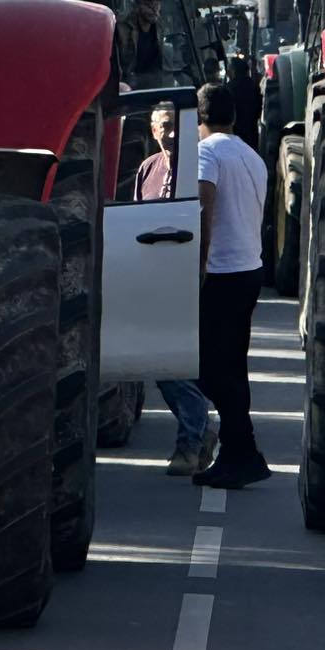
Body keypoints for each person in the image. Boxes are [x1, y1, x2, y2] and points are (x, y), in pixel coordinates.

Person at [191, 81, 271, 489]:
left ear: (198, 117)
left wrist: (199, 263)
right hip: (248, 269)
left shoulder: (206, 153)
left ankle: (242, 448)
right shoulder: (252, 156)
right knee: (231, 364)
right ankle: (239, 454)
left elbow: (204, 205)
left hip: (220, 272)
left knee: (205, 366)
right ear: (235, 116)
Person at [135, 104, 218, 475]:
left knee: (172, 363)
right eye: (163, 126)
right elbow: (136, 217)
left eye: (175, 126)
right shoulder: (148, 168)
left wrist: (201, 264)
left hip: (189, 274)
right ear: (153, 130)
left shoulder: (196, 167)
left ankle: (189, 443)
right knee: (158, 361)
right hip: (152, 276)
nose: (169, 134)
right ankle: (201, 432)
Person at [119, 0, 168, 87]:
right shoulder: (124, 27)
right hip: (131, 81)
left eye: (157, 5)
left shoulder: (159, 26)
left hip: (155, 81)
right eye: (149, 5)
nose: (154, 10)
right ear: (137, 7)